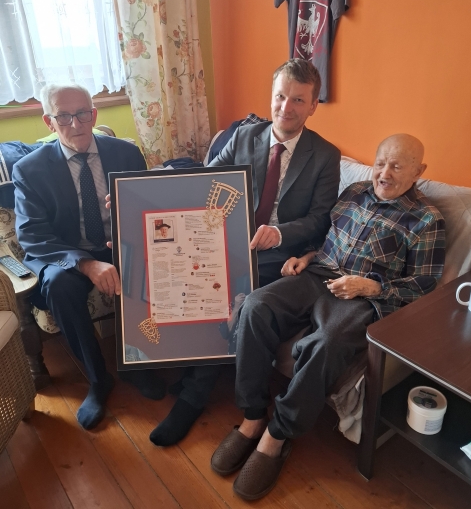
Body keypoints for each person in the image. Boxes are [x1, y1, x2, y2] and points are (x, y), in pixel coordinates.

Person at [211, 133, 446, 501]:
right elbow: (324, 235)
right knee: (256, 305)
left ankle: (277, 434)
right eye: (380, 163)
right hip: (316, 275)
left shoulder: (427, 219)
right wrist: (305, 257)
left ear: (419, 171)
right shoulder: (354, 191)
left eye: (397, 167)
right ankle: (253, 416)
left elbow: (424, 284)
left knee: (327, 342)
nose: (385, 173)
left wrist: (372, 287)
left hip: (359, 297)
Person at [149, 59, 342, 447]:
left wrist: (280, 232)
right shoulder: (245, 136)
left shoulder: (325, 155)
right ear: (271, 96)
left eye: (298, 100)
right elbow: (206, 178)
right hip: (226, 240)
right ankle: (180, 366)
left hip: (278, 255)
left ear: (313, 105)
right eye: (280, 96)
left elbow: (321, 219)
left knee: (223, 292)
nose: (286, 107)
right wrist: (149, 188)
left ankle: (193, 398)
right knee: (179, 269)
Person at [12, 83, 165, 430]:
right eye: (64, 116)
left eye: (82, 113)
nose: (76, 123)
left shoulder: (126, 153)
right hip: (66, 251)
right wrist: (86, 263)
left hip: (119, 243)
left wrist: (133, 204)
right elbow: (32, 235)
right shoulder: (30, 169)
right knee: (59, 285)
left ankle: (137, 365)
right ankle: (98, 379)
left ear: (94, 115)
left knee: (144, 264)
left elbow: (152, 209)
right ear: (49, 121)